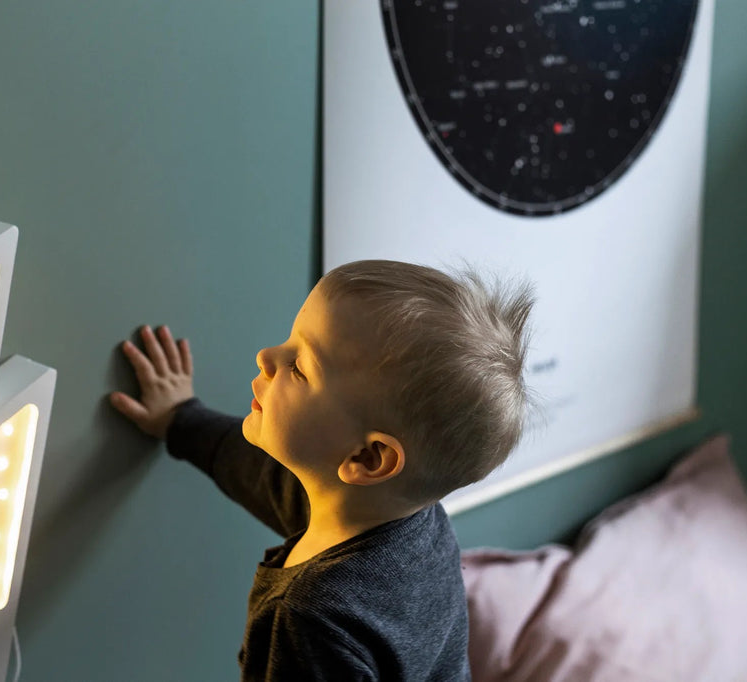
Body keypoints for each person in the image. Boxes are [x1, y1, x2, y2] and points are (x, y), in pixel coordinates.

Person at [109, 259, 537, 681]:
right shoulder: (412, 523)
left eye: (299, 367)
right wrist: (181, 419)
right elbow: (262, 479)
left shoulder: (313, 618)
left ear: (368, 459)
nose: (266, 356)